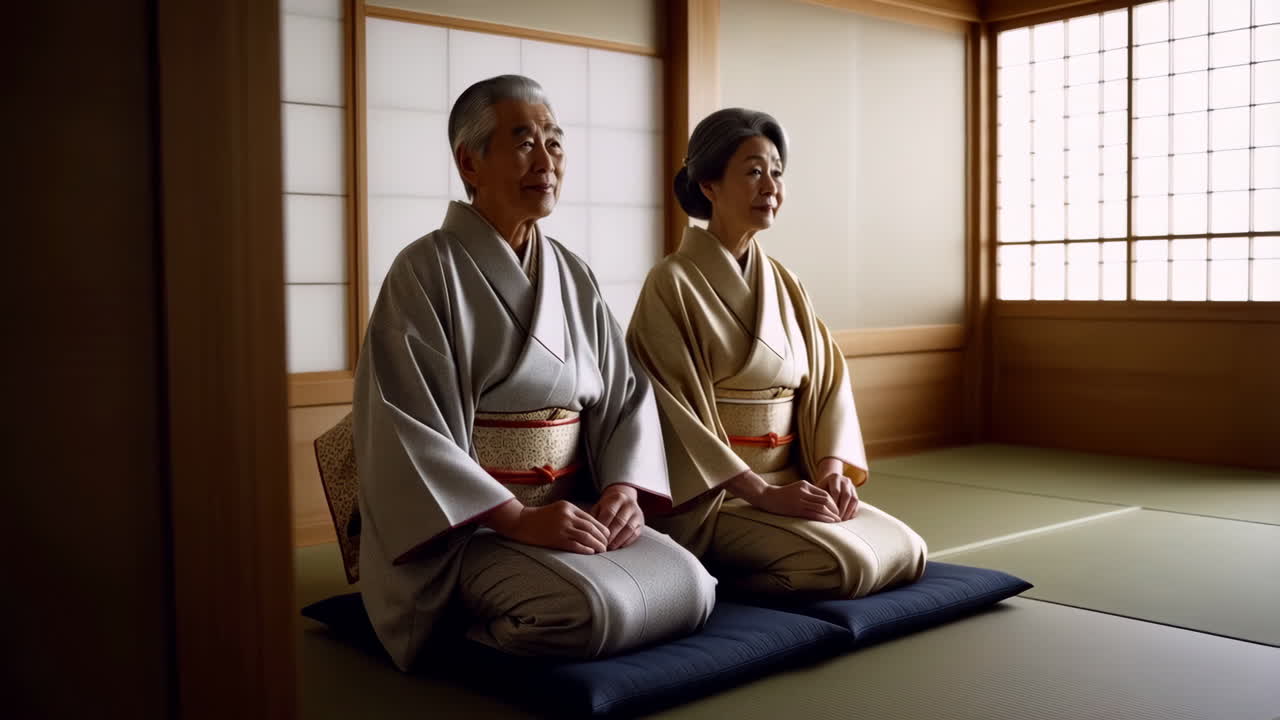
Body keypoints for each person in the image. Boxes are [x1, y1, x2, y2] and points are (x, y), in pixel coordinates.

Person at [350, 75, 715, 671]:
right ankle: (468, 628)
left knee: (694, 587)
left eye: (555, 142)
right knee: (588, 611)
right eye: (524, 142)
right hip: (471, 529)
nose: (545, 160)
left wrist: (621, 488)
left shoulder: (573, 273)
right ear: (470, 162)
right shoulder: (423, 273)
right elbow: (408, 430)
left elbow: (624, 395)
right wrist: (517, 518)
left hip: (572, 513)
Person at [626, 108, 927, 604]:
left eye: (777, 172)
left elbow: (829, 384)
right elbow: (672, 410)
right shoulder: (672, 283)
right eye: (753, 171)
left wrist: (830, 473)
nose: (771, 185)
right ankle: (709, 578)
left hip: (794, 482)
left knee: (907, 550)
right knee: (844, 564)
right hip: (720, 497)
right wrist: (762, 493)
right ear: (709, 185)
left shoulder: (785, 282)